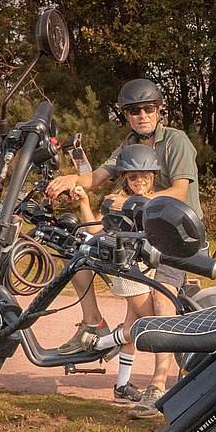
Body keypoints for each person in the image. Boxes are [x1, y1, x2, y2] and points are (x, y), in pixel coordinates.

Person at [45, 78, 202, 403]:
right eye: (133, 111)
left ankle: (158, 384)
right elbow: (96, 177)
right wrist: (71, 180)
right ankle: (94, 324)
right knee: (79, 259)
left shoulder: (176, 141)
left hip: (176, 236)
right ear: (127, 115)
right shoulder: (129, 144)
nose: (141, 115)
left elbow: (179, 191)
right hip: (138, 236)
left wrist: (132, 202)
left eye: (148, 109)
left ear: (159, 109)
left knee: (160, 301)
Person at [62, 144, 176, 415]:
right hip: (129, 269)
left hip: (148, 266)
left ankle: (122, 385)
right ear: (125, 178)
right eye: (133, 177)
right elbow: (94, 230)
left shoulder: (158, 202)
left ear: (153, 176)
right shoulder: (116, 201)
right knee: (150, 323)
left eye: (145, 176)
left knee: (132, 322)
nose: (139, 181)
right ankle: (99, 342)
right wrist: (84, 203)